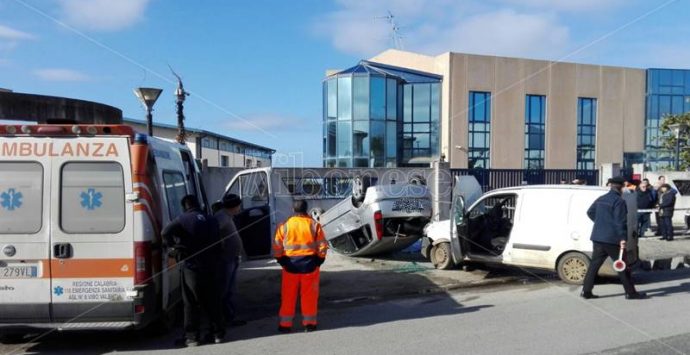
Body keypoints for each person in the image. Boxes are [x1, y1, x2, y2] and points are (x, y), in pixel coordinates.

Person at [162, 195, 225, 347]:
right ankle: (217, 334)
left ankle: (192, 337)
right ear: (198, 205)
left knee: (191, 301)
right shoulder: (211, 219)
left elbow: (165, 232)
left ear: (185, 206)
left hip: (192, 266)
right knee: (212, 300)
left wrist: (174, 249)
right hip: (211, 266)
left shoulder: (182, 219)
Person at [581, 177, 646, 300]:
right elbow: (620, 222)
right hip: (612, 239)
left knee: (594, 265)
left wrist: (601, 223)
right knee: (622, 265)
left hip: (598, 237)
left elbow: (590, 212)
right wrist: (622, 238)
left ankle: (586, 291)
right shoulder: (619, 201)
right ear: (621, 187)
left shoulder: (601, 198)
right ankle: (631, 293)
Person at [274, 200, 328, 333]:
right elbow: (322, 246)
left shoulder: (284, 225)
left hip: (290, 266)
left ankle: (285, 325)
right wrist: (319, 260)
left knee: (288, 296)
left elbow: (277, 246)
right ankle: (309, 324)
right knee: (309, 296)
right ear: (306, 209)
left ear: (293, 209)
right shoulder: (315, 225)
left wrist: (281, 261)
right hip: (309, 266)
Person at [214, 194, 246, 326]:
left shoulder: (227, 216)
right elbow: (215, 233)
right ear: (234, 206)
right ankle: (223, 318)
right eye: (239, 205)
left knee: (229, 289)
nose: (240, 208)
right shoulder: (221, 217)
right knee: (224, 290)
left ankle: (229, 316)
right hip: (226, 259)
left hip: (232, 258)